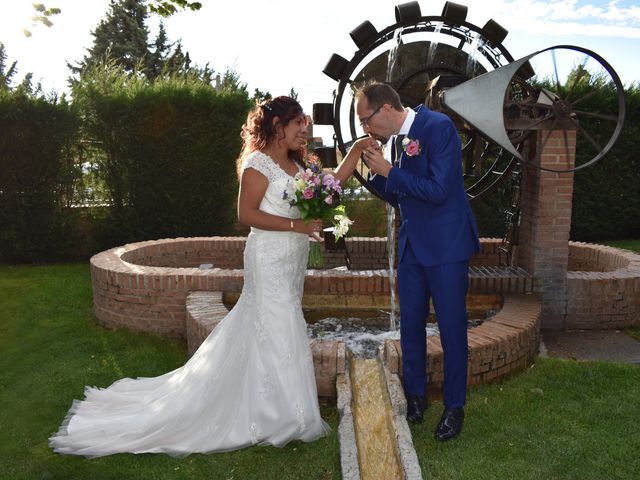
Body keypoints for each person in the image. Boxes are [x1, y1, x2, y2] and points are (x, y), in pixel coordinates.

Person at [49, 95, 366, 457]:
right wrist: (298, 224)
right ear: (279, 126)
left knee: (269, 324)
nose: (304, 132)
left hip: (291, 260)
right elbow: (246, 214)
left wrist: (354, 153)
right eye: (298, 125)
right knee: (279, 323)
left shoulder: (298, 165)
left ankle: (273, 405)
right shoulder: (257, 164)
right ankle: (280, 415)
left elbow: (327, 191)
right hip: (268, 257)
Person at [354, 82, 480, 441]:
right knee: (410, 327)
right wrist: (373, 172)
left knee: (452, 329)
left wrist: (390, 171)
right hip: (412, 248)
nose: (365, 128)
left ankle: (455, 408)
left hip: (446, 247)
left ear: (386, 110)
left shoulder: (439, 128)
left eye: (366, 120)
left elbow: (440, 190)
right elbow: (400, 196)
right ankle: (416, 398)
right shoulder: (395, 142)